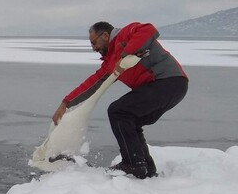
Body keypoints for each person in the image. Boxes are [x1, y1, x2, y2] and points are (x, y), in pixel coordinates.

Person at [51, 21, 188, 179]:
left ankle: (133, 163)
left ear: (105, 35)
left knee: (118, 111)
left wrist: (125, 55)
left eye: (93, 42)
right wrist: (66, 103)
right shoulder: (110, 63)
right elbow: (92, 85)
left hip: (169, 81)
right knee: (131, 119)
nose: (93, 47)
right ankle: (145, 167)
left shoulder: (124, 35)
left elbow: (148, 30)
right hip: (167, 87)